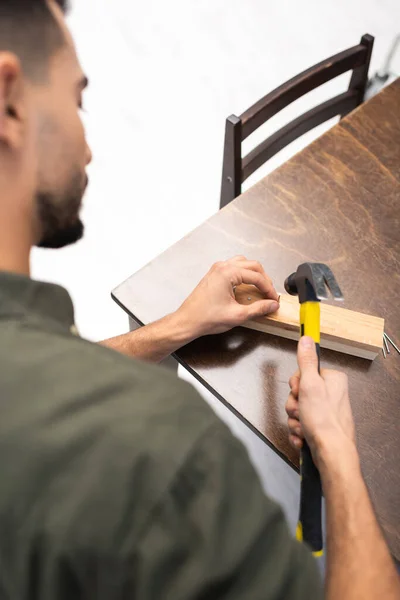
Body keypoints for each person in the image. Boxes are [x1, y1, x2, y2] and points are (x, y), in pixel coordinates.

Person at [0, 1, 398, 598]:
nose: (87, 146)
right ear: (9, 100)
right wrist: (338, 452)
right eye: (76, 98)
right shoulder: (161, 446)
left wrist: (172, 327)